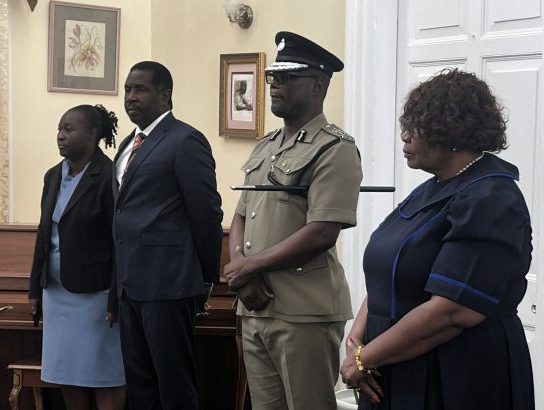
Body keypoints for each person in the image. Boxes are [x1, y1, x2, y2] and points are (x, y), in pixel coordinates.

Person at [340, 69, 534, 410]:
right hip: (390, 362)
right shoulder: (433, 188)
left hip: (455, 372)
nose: (404, 136)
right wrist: (358, 339)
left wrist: (364, 358)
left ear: (451, 131)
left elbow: (453, 311)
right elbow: (391, 271)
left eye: (416, 127)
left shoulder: (490, 198)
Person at [224, 32, 363, 410]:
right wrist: (242, 272)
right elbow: (241, 214)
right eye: (273, 77)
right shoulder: (266, 146)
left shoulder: (334, 148)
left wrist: (250, 266)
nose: (275, 85)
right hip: (256, 305)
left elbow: (322, 232)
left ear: (317, 85)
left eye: (287, 78)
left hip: (304, 310)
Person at [113, 61, 223, 409]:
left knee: (174, 384)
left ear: (165, 95)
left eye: (140, 89)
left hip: (168, 282)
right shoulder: (128, 144)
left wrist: (206, 277)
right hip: (129, 285)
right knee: (139, 385)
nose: (131, 97)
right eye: (127, 89)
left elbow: (206, 212)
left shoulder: (184, 140)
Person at [29, 104, 126, 410]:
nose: (60, 135)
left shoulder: (109, 176)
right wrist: (35, 290)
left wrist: (115, 297)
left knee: (104, 372)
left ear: (93, 134)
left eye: (69, 129)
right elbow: (44, 234)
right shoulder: (52, 176)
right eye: (59, 129)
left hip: (96, 294)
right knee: (67, 371)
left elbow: (119, 242)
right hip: (57, 294)